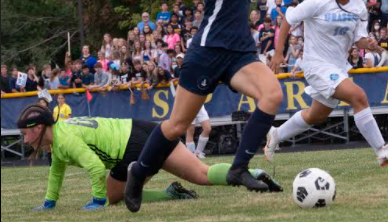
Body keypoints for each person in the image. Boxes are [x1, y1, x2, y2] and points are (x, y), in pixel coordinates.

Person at [124, 0, 309, 213]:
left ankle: (239, 168)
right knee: (177, 124)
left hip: (238, 53)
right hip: (207, 54)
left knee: (272, 93)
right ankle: (139, 172)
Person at [17, 105, 282, 211]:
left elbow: (96, 167)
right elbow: (57, 172)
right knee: (202, 174)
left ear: (39, 128)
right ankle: (252, 174)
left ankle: (164, 190)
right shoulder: (59, 137)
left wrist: (98, 200)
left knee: (113, 197)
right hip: (145, 129)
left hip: (129, 148)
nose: (23, 137)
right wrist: (49, 203)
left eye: (24, 132)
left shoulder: (64, 139)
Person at [266, 0, 388, 167]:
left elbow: (359, 39)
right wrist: (277, 53)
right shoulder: (318, 3)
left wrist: (370, 43)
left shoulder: (358, 7)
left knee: (316, 115)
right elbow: (288, 20)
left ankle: (276, 134)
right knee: (358, 96)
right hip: (316, 65)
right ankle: (381, 150)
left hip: (338, 67)